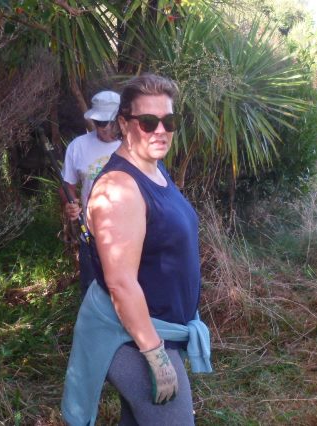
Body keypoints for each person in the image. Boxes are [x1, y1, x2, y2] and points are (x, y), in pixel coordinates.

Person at [61, 73, 211, 426]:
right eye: (148, 122)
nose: (160, 130)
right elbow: (121, 283)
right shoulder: (120, 187)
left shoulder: (154, 168)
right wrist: (155, 355)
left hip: (159, 331)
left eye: (169, 121)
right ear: (125, 124)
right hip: (135, 340)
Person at [60, 90, 121, 297]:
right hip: (91, 236)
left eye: (110, 122)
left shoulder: (134, 146)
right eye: (100, 123)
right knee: (92, 292)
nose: (105, 128)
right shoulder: (78, 147)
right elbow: (67, 184)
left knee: (129, 293)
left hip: (129, 235)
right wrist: (70, 203)